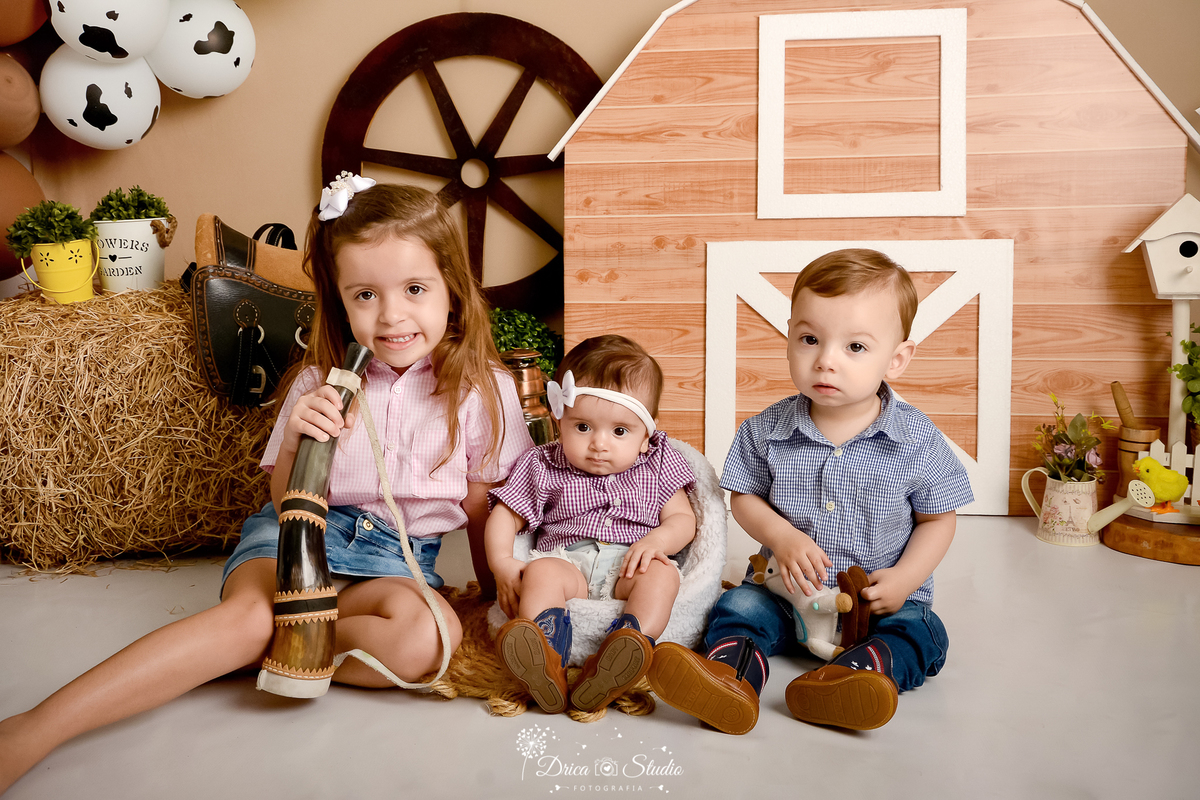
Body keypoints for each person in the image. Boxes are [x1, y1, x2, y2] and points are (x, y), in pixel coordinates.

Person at [0, 179, 533, 793]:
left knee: (426, 640)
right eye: (366, 295)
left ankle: (258, 649)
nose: (391, 316)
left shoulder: (482, 391)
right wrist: (301, 443)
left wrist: (496, 597)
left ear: (452, 291)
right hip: (292, 540)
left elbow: (481, 504)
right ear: (340, 301)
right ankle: (36, 727)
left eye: (415, 290)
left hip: (395, 562)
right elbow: (285, 500)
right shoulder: (317, 385)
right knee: (253, 618)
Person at [648, 248, 974, 734]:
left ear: (898, 358)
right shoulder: (766, 431)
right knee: (738, 608)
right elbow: (743, 496)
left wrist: (905, 579)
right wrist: (782, 537)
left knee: (923, 632)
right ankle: (729, 678)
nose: (825, 361)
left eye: (855, 348)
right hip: (786, 591)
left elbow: (938, 519)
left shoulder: (918, 440)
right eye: (809, 339)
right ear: (788, 338)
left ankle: (849, 681)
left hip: (875, 603)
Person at [485, 335, 697, 714]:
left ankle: (628, 646)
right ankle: (545, 655)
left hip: (631, 563)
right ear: (559, 420)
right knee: (541, 573)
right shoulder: (543, 464)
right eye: (583, 427)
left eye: (619, 431)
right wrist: (501, 562)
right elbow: (505, 513)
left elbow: (683, 519)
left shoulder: (660, 463)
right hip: (568, 561)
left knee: (663, 576)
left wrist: (657, 542)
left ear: (646, 435)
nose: (599, 444)